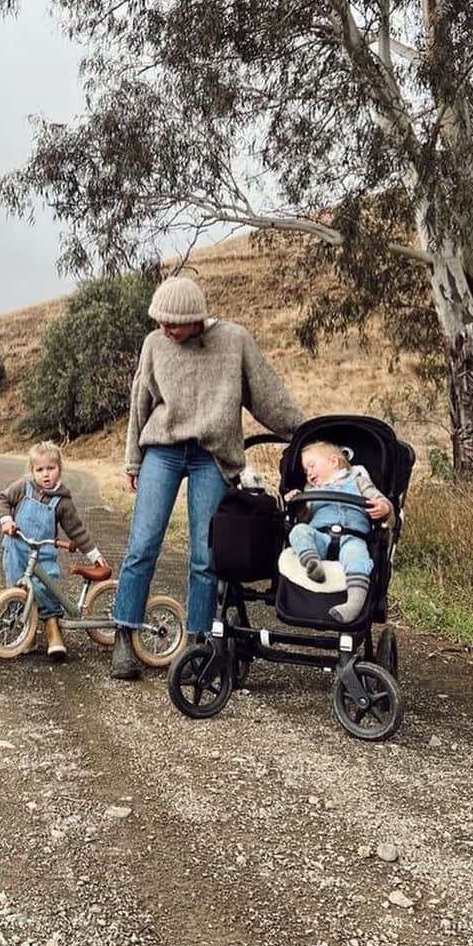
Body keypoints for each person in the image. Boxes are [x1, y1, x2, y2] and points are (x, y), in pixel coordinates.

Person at [112, 275, 304, 680]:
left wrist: (307, 434)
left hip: (211, 457)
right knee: (143, 544)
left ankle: (199, 646)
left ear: (196, 318)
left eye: (173, 323)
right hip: (162, 451)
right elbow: (140, 402)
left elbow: (268, 396)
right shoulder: (154, 344)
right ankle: (124, 636)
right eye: (159, 321)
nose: (165, 330)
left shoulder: (234, 341)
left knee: (205, 554)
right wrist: (134, 462)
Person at [0, 441, 106, 662]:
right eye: (40, 470)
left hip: (44, 553)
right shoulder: (23, 487)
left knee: (48, 590)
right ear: (32, 471)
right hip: (17, 548)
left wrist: (94, 555)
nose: (46, 475)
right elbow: (3, 499)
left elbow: (77, 530)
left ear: (60, 469)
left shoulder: (62, 501)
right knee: (17, 588)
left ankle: (53, 629)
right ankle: (24, 634)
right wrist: (7, 521)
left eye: (51, 468)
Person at [286, 439, 393, 624]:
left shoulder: (359, 481)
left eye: (312, 466)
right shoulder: (311, 490)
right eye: (305, 471)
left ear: (334, 462)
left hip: (352, 536)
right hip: (320, 535)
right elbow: (303, 517)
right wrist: (298, 501)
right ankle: (312, 562)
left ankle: (353, 604)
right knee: (299, 531)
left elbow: (379, 499)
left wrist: (384, 508)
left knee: (357, 557)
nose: (309, 473)